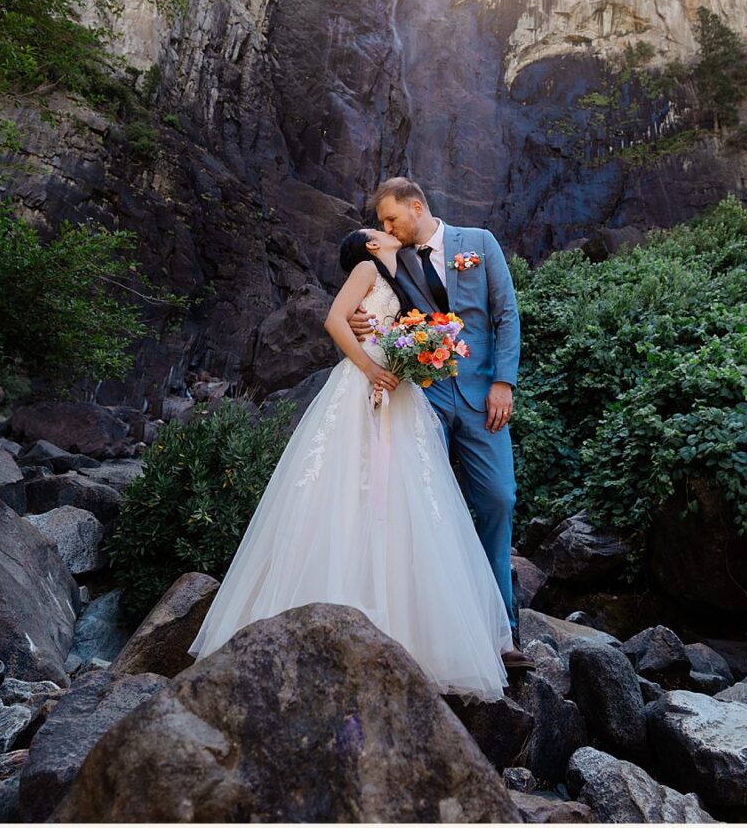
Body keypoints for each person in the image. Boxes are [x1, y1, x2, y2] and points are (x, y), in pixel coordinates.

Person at [187, 225, 515, 698]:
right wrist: (373, 369)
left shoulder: (401, 275)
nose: (387, 229)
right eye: (377, 228)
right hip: (365, 383)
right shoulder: (366, 268)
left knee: (403, 496)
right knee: (346, 485)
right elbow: (334, 321)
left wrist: (410, 357)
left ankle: (406, 622)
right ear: (369, 245)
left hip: (398, 390)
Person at [350, 178, 534, 674]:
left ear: (417, 207)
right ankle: (433, 630)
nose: (387, 228)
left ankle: (503, 626)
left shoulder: (479, 243)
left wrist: (505, 383)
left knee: (498, 498)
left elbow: (506, 315)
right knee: (424, 508)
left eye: (392, 219)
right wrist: (359, 321)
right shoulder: (394, 259)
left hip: (481, 398)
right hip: (422, 397)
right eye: (382, 223)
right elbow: (363, 303)